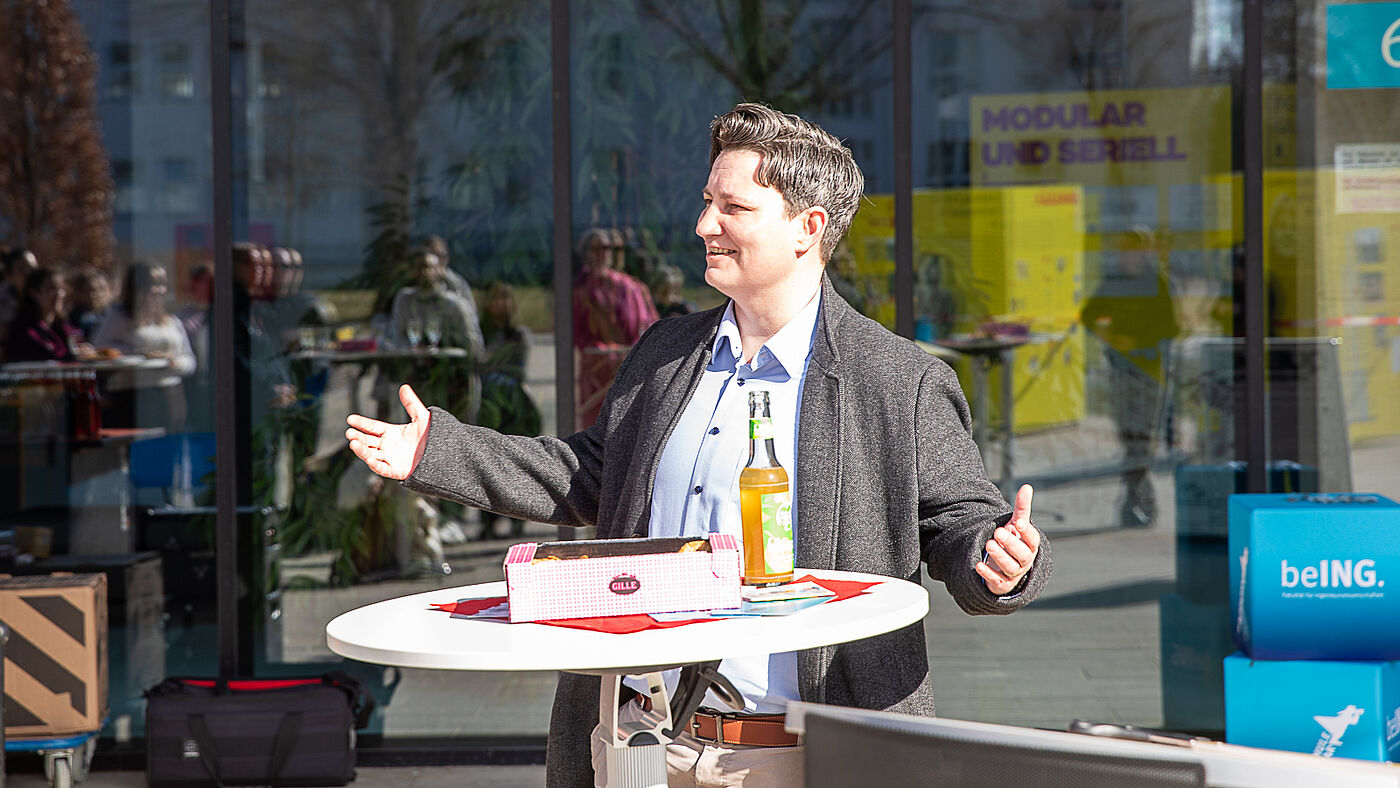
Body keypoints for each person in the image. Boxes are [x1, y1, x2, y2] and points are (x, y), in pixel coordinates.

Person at [346, 102, 1051, 788]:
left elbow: (962, 527)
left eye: (732, 207)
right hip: (639, 748)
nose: (704, 224)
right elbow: (589, 474)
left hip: (799, 759)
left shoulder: (898, 380)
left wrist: (999, 561)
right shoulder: (666, 352)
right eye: (708, 201)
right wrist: (438, 451)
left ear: (807, 227)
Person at [1080, 225, 1182, 527]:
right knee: (1129, 437)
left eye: (1132, 250)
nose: (1126, 256)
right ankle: (1135, 498)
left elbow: (1170, 327)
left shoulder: (1157, 283)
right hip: (1121, 370)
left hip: (1149, 370)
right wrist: (1110, 336)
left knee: (1143, 438)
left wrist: (1135, 341)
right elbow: (1089, 314)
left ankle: (1139, 500)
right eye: (1122, 250)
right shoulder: (1115, 282)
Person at [92, 262, 198, 429]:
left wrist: (173, 362)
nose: (159, 290)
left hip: (170, 396)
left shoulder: (171, 321)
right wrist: (140, 354)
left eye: (162, 284)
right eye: (153, 284)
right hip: (133, 398)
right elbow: (100, 349)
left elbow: (189, 359)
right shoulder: (119, 317)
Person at [572, 227, 659, 428]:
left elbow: (646, 328)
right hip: (594, 373)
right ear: (585, 253)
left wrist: (630, 358)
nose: (602, 254)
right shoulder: (579, 291)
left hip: (626, 369)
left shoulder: (630, 288)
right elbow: (576, 335)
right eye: (595, 249)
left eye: (607, 248)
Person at [476, 281, 541, 539]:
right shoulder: (480, 333)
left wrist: (492, 365)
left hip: (513, 402)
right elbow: (477, 364)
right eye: (495, 298)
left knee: (516, 460)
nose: (500, 304)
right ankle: (488, 522)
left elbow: (518, 369)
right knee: (485, 462)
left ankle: (518, 520)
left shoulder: (518, 334)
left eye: (505, 298)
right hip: (487, 403)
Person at [4, 268, 84, 361]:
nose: (58, 294)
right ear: (34, 293)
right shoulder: (23, 330)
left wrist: (82, 351)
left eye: (61, 288)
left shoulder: (63, 327)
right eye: (51, 289)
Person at [0, 248, 40, 355]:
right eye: (21, 269)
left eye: (32, 268)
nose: (28, 273)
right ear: (8, 275)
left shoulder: (47, 298)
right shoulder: (3, 304)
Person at [67, 266, 114, 343]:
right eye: (91, 290)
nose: (97, 295)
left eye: (101, 289)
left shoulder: (105, 312)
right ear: (79, 293)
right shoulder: (78, 316)